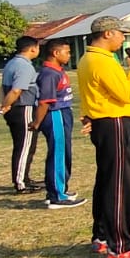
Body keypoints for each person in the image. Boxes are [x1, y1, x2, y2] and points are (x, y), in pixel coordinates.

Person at [77, 16, 130, 258]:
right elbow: (126, 94)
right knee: (121, 183)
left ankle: (101, 236)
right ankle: (120, 246)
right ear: (108, 34)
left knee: (107, 180)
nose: (123, 39)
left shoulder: (88, 59)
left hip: (103, 122)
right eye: (121, 33)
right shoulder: (103, 62)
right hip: (116, 122)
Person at [30, 39, 86, 208]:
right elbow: (45, 101)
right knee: (58, 154)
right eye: (67, 52)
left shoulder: (57, 71)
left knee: (63, 152)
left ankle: (58, 189)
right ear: (56, 53)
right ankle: (57, 196)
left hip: (63, 113)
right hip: (55, 115)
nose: (70, 55)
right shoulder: (49, 73)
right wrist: (37, 122)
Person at [0, 36, 43, 194]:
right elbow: (16, 90)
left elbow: (3, 89)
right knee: (24, 147)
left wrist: (5, 106)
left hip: (16, 109)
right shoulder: (24, 66)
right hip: (23, 108)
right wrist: (4, 106)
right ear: (32, 48)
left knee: (24, 146)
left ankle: (24, 178)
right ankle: (21, 183)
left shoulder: (12, 63)